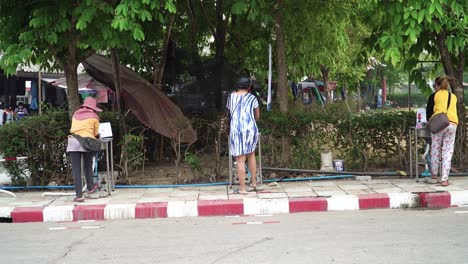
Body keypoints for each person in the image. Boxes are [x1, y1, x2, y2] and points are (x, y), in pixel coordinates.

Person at [227, 76, 261, 194]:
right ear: (249, 86)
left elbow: (230, 112)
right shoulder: (253, 98)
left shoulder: (231, 97)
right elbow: (257, 116)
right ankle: (253, 183)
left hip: (236, 129)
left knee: (240, 159)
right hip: (251, 129)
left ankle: (242, 189)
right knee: (251, 154)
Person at [66, 97, 102, 202]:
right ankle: (90, 189)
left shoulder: (75, 114)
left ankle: (79, 196)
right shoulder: (94, 117)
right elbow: (96, 133)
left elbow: (73, 129)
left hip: (73, 141)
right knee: (88, 166)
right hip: (86, 142)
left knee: (76, 170)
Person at [425, 76, 458, 187]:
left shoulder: (436, 95)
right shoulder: (453, 96)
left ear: (438, 85)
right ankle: (444, 179)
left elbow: (431, 111)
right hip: (452, 124)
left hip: (439, 123)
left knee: (435, 148)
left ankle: (434, 174)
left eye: (435, 86)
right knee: (448, 151)